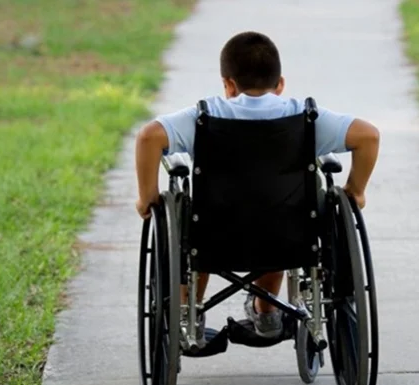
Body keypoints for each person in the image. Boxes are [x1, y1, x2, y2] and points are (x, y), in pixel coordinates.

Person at [134, 31, 379, 343]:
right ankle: (266, 310)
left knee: (192, 223)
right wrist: (355, 190)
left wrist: (147, 197)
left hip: (213, 235)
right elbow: (368, 137)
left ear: (228, 84)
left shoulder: (204, 116)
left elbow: (148, 138)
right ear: (280, 84)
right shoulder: (305, 116)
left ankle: (188, 310)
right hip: (289, 236)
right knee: (284, 210)